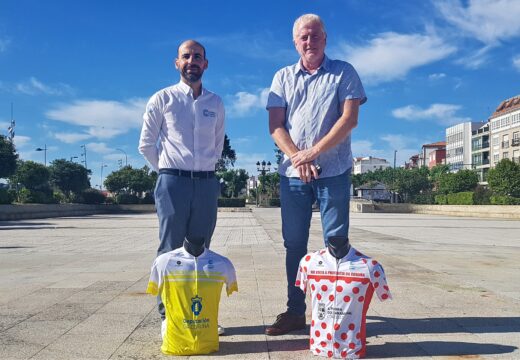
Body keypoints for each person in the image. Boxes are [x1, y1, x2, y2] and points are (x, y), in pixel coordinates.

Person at [265, 14, 367, 336]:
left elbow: (349, 119)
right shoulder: (282, 77)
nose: (309, 42)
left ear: (326, 38)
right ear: (296, 42)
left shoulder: (344, 72)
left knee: (336, 243)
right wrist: (298, 157)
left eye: (315, 36)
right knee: (294, 244)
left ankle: (334, 315)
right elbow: (275, 126)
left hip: (334, 170)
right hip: (293, 175)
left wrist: (314, 152)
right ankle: (295, 311)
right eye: (303, 38)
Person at [138, 40, 225, 334]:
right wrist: (168, 171)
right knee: (170, 250)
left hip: (206, 184)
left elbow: (217, 145)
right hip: (172, 181)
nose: (192, 61)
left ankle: (196, 313)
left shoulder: (215, 103)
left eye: (197, 57)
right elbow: (146, 145)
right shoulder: (162, 99)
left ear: (206, 64)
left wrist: (205, 173)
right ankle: (168, 317)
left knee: (200, 251)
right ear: (177, 63)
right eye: (186, 56)